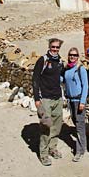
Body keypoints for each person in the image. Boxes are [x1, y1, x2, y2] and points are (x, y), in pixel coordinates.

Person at [32, 38, 64, 166]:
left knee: (57, 125)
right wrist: (36, 99)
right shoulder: (43, 60)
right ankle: (43, 154)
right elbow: (35, 79)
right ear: (49, 46)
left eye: (57, 47)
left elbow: (61, 77)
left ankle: (53, 148)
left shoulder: (60, 61)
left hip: (57, 98)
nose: (55, 49)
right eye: (53, 47)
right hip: (45, 98)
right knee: (46, 125)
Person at [62, 47, 88, 162]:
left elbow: (85, 86)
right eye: (70, 55)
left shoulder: (80, 69)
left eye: (75, 55)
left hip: (78, 101)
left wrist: (82, 101)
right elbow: (62, 80)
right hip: (70, 101)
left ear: (78, 57)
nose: (72, 57)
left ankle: (79, 151)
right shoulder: (67, 69)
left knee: (79, 125)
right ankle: (83, 147)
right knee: (76, 124)